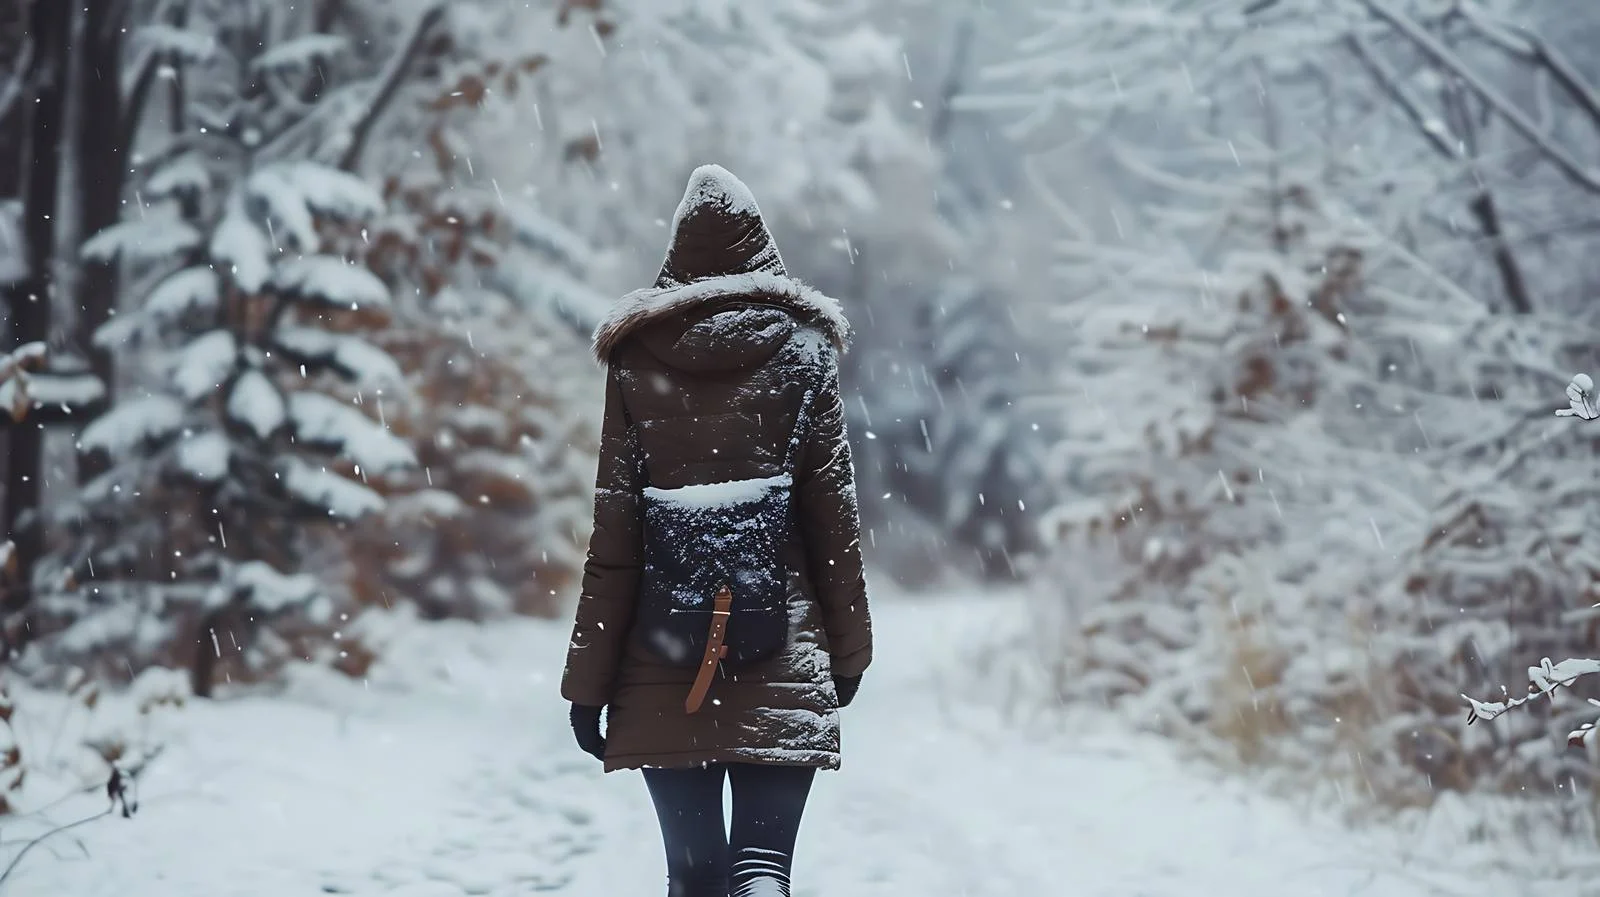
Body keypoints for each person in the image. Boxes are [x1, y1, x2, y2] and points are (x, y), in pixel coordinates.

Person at [560, 164, 873, 897]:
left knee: (696, 876)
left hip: (661, 659)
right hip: (784, 647)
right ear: (763, 252)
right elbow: (835, 525)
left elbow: (615, 540)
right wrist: (849, 652)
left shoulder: (636, 360)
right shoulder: (804, 351)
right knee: (762, 871)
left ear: (677, 259)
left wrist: (588, 682)